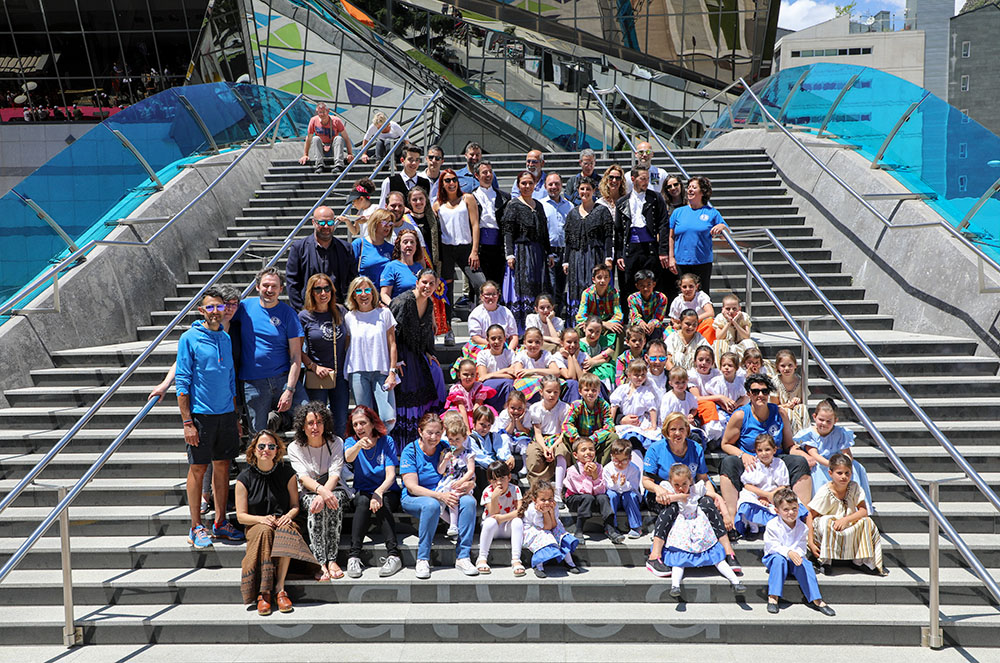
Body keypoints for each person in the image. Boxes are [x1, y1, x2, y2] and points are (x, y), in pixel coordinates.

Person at [176, 288, 244, 549]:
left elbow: (229, 379)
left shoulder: (225, 338)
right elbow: (182, 381)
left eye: (220, 306)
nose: (216, 311)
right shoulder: (189, 338)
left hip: (226, 415)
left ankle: (219, 522)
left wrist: (235, 416)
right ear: (201, 310)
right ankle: (195, 526)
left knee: (223, 466)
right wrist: (187, 422)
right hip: (200, 416)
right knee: (197, 468)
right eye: (211, 307)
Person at [642, 413, 741, 576]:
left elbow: (703, 478)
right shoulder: (656, 449)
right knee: (671, 506)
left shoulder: (696, 448)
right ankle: (654, 556)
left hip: (689, 493)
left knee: (708, 504)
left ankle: (729, 552)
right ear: (666, 432)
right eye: (673, 429)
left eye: (681, 429)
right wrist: (659, 490)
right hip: (661, 492)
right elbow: (646, 481)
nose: (677, 433)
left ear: (687, 430)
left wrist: (715, 496)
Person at [236, 431, 319, 616]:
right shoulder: (244, 478)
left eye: (271, 447)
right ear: (254, 450)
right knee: (265, 531)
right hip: (256, 525)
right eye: (262, 446)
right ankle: (263, 592)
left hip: (283, 520)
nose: (266, 450)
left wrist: (288, 516)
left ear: (277, 450)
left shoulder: (287, 472)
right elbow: (241, 516)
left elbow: (295, 505)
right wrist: (262, 519)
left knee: (285, 529)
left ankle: (279, 589)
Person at [718, 373, 813, 525]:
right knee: (728, 463)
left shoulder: (780, 413)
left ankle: (802, 517)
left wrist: (804, 455)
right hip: (751, 462)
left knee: (799, 462)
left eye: (764, 391)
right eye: (755, 391)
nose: (760, 395)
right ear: (749, 394)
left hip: (775, 460)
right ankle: (732, 516)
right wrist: (742, 455)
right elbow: (726, 444)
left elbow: (789, 445)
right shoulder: (741, 416)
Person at [400, 413, 479, 579]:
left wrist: (471, 483)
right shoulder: (410, 450)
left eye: (437, 433)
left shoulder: (446, 446)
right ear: (420, 431)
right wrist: (440, 496)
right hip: (417, 497)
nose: (434, 437)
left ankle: (463, 556)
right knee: (432, 505)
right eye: (429, 432)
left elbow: (465, 467)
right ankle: (422, 558)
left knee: (469, 502)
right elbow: (412, 487)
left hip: (446, 491)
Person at [651, 464, 745, 597]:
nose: (680, 488)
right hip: (680, 526)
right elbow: (660, 499)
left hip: (698, 525)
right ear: (671, 482)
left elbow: (716, 497)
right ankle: (675, 585)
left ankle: (735, 581)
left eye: (684, 484)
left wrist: (726, 515)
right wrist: (680, 497)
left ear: (690, 481)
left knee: (716, 556)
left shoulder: (696, 489)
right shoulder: (668, 489)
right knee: (679, 555)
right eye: (676, 484)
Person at [235, 268, 309, 434]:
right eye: (265, 285)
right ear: (257, 287)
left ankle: (280, 420)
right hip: (253, 382)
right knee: (258, 434)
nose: (269, 290)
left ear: (281, 289)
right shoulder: (244, 307)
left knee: (307, 419)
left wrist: (289, 390)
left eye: (274, 286)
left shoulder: (288, 313)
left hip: (282, 378)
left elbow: (296, 356)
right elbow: (221, 322)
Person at [287, 402, 351, 581]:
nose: (315, 427)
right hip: (309, 490)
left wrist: (324, 494)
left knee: (333, 501)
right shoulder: (294, 447)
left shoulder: (336, 442)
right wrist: (321, 493)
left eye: (319, 422)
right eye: (310, 423)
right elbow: (303, 477)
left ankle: (332, 560)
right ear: (303, 425)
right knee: (315, 507)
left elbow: (335, 474)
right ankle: (319, 561)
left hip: (334, 488)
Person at [343, 405, 403, 578]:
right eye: (355, 425)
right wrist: (359, 445)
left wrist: (379, 492)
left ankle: (393, 554)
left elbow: (391, 475)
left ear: (372, 423)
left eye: (363, 423)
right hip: (363, 491)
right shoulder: (352, 442)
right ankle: (353, 556)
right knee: (362, 501)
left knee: (381, 503)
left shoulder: (386, 441)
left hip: (387, 490)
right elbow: (348, 457)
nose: (359, 428)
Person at [389, 270, 447, 443]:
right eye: (424, 282)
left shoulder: (429, 303)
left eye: (431, 284)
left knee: (434, 372)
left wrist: (429, 352)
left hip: (417, 351)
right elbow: (391, 334)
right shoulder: (404, 301)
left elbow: (427, 332)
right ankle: (404, 441)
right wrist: (395, 360)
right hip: (399, 354)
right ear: (417, 282)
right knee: (409, 386)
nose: (427, 287)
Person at [808, 453, 887, 576]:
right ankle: (824, 561)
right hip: (830, 526)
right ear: (830, 474)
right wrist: (810, 542)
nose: (843, 477)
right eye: (839, 473)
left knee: (867, 522)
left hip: (846, 523)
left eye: (847, 473)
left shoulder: (854, 487)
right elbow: (810, 515)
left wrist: (846, 520)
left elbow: (863, 511)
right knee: (825, 521)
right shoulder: (825, 491)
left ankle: (860, 561)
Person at [764, 487, 835, 616]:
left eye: (794, 509)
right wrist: (788, 552)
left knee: (806, 564)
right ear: (777, 511)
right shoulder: (772, 525)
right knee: (779, 560)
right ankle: (773, 597)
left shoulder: (802, 527)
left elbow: (802, 547)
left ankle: (816, 599)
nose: (791, 512)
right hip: (775, 557)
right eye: (786, 509)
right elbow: (772, 546)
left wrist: (795, 554)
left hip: (794, 558)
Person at [796, 399, 874, 511]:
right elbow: (814, 454)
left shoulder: (840, 432)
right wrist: (831, 465)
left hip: (839, 462)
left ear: (835, 420)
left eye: (829, 421)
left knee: (856, 467)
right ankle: (824, 507)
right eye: (821, 420)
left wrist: (844, 464)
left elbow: (846, 453)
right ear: (814, 417)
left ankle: (855, 504)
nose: (824, 424)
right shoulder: (810, 433)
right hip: (822, 463)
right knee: (817, 471)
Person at [435, 168, 485, 343]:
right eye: (447, 180)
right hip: (446, 250)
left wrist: (474, 250)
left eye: (453, 179)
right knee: (446, 291)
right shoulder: (437, 205)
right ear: (442, 184)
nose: (451, 183)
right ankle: (448, 330)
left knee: (481, 284)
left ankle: (480, 326)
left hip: (466, 248)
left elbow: (475, 225)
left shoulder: (467, 199)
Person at [344, 275, 398, 431]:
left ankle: (381, 446)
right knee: (364, 420)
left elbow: (392, 344)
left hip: (382, 372)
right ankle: (370, 451)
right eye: (358, 291)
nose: (363, 294)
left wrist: (392, 371)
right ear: (353, 295)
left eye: (367, 290)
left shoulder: (384, 314)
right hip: (358, 373)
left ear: (373, 293)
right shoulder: (349, 317)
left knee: (389, 418)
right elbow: (347, 345)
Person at [298, 274, 350, 436]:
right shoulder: (304, 316)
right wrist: (313, 366)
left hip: (340, 374)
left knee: (340, 420)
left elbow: (348, 337)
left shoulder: (341, 311)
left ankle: (339, 458)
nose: (323, 293)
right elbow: (296, 350)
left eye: (327, 289)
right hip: (317, 376)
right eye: (318, 289)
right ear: (311, 292)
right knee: (317, 421)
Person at [502, 170, 552, 332]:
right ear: (518, 185)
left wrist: (549, 252)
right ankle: (521, 330)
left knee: (537, 287)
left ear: (535, 185)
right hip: (521, 252)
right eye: (523, 183)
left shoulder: (539, 206)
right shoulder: (513, 205)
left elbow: (544, 232)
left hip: (537, 253)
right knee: (522, 287)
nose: (527, 186)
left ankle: (539, 328)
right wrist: (509, 254)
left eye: (530, 183)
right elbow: (508, 232)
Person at [666, 175, 728, 296]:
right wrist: (671, 258)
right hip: (681, 262)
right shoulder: (678, 212)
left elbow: (725, 236)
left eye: (694, 187)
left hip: (702, 262)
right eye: (688, 187)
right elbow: (671, 237)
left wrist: (723, 227)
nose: (690, 190)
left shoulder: (712, 212)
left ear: (702, 192)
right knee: (683, 296)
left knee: (702, 296)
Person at [286, 205, 357, 308]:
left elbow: (352, 279)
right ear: (313, 222)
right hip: (309, 311)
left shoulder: (346, 248)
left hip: (339, 310)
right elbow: (292, 282)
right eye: (322, 223)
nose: (326, 226)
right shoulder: (299, 248)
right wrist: (301, 310)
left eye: (330, 222)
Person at [615, 165, 668, 299]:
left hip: (650, 247)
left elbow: (663, 224)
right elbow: (619, 230)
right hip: (631, 248)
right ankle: (630, 316)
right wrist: (620, 255)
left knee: (653, 281)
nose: (646, 182)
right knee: (629, 283)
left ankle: (654, 314)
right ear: (633, 179)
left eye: (648, 178)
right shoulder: (622, 202)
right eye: (643, 178)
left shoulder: (655, 198)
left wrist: (663, 251)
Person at [563, 176, 613, 314]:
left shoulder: (602, 211)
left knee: (594, 285)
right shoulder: (572, 213)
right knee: (577, 286)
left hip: (595, 255)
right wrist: (565, 261)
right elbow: (568, 240)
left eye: (588, 189)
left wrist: (608, 257)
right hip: (576, 257)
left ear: (594, 191)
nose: (585, 192)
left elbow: (608, 236)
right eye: (582, 189)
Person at [735, 433, 796, 536]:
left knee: (787, 499)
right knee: (745, 498)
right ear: (756, 451)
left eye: (767, 449)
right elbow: (747, 485)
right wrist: (764, 495)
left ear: (774, 450)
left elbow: (784, 485)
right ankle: (753, 526)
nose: (764, 453)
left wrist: (770, 496)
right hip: (757, 494)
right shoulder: (754, 463)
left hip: (775, 494)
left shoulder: (779, 463)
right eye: (760, 450)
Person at [519, 480, 581, 578]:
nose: (547, 502)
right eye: (543, 500)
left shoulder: (553, 505)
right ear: (535, 499)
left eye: (550, 498)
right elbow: (546, 527)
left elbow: (554, 524)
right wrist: (544, 513)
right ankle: (538, 565)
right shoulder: (533, 509)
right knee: (544, 537)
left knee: (561, 534)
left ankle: (569, 562)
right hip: (534, 529)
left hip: (550, 525)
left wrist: (551, 512)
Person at [563, 438, 619, 542]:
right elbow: (584, 491)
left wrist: (595, 476)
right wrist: (589, 476)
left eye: (591, 449)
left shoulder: (599, 467)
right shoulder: (572, 470)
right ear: (575, 455)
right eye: (583, 450)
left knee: (603, 497)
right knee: (587, 497)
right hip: (575, 499)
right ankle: (579, 529)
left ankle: (610, 529)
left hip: (592, 498)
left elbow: (601, 491)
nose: (588, 452)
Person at [476, 460, 526, 576]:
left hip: (508, 527)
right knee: (490, 522)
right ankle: (482, 557)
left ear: (509, 477)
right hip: (493, 529)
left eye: (502, 478)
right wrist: (494, 498)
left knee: (518, 522)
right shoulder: (488, 492)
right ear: (490, 481)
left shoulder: (515, 489)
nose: (499, 483)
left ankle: (516, 559)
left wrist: (502, 518)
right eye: (494, 479)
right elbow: (493, 513)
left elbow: (520, 511)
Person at [525, 376, 572, 496]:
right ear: (541, 392)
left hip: (558, 439)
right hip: (542, 439)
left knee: (562, 451)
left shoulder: (564, 408)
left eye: (555, 392)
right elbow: (538, 432)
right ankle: (536, 490)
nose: (552, 395)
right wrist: (545, 447)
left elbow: (564, 432)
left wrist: (552, 447)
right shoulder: (535, 408)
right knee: (533, 453)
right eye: (549, 391)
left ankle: (558, 491)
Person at [610, 359, 661, 457]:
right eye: (636, 375)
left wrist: (653, 426)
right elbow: (614, 405)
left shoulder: (646, 391)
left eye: (643, 375)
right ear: (629, 375)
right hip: (626, 420)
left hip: (640, 421)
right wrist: (610, 423)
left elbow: (652, 409)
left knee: (642, 437)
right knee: (626, 436)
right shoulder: (623, 389)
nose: (640, 378)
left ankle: (641, 456)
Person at [563, 372, 616, 465]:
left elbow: (609, 426)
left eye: (594, 390)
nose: (590, 393)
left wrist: (594, 438)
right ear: (580, 391)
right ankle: (577, 466)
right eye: (586, 390)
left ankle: (600, 466)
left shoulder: (603, 405)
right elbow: (567, 424)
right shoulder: (576, 405)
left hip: (597, 441)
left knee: (613, 437)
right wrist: (577, 438)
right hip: (580, 440)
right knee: (565, 437)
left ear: (599, 391)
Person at [472, 160, 510, 286]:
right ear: (477, 176)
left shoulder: (504, 197)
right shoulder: (471, 197)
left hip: (498, 247)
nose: (488, 175)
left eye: (490, 172)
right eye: (484, 172)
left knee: (498, 282)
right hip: (481, 247)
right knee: (481, 283)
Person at [542, 173, 571, 315]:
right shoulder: (541, 205)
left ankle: (558, 318)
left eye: (557, 184)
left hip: (565, 252)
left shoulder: (569, 206)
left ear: (561, 185)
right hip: (549, 252)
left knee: (560, 288)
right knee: (550, 287)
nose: (554, 187)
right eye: (550, 184)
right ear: (545, 186)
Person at [603, 437, 643, 538]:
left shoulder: (634, 469)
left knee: (630, 495)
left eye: (624, 460)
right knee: (611, 495)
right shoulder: (608, 468)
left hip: (628, 496)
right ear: (612, 456)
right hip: (615, 496)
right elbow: (607, 487)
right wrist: (615, 484)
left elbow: (634, 487)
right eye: (616, 460)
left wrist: (623, 484)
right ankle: (612, 526)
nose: (620, 464)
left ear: (630, 458)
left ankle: (636, 526)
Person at [298, 102, 354, 173]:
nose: (322, 114)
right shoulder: (313, 120)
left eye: (323, 112)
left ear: (328, 111)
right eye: (320, 112)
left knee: (339, 138)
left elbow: (346, 137)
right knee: (315, 138)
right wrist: (305, 155)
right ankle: (319, 165)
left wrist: (350, 153)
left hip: (333, 148)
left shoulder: (336, 121)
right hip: (321, 148)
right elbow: (308, 138)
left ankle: (339, 165)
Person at [379, 228, 426, 303]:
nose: (409, 245)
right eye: (405, 242)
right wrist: (394, 308)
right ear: (399, 245)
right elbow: (384, 294)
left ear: (416, 246)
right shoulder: (391, 267)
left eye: (412, 242)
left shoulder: (419, 268)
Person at [446, 359, 496, 428]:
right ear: (459, 375)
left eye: (472, 375)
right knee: (453, 417)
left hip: (475, 412)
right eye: (465, 374)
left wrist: (475, 424)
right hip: (461, 412)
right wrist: (467, 430)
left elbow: (477, 405)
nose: (469, 377)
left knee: (486, 412)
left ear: (476, 374)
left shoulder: (479, 387)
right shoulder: (456, 389)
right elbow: (462, 408)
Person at [352, 209, 396, 285]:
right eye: (384, 222)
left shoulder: (391, 248)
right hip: (365, 293)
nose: (388, 226)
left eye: (390, 223)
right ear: (375, 223)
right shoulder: (359, 244)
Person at [670, 272, 716, 343]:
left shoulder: (701, 296)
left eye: (691, 286)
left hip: (699, 327)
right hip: (684, 329)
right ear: (680, 288)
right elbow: (674, 320)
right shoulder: (677, 301)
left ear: (696, 286)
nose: (688, 289)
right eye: (684, 287)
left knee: (710, 322)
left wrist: (693, 321)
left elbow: (710, 313)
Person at [712, 293, 757, 365]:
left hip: (740, 345)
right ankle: (721, 369)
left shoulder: (744, 317)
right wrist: (728, 323)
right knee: (719, 343)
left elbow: (746, 336)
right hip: (727, 346)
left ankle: (750, 368)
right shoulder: (720, 318)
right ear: (722, 309)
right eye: (727, 309)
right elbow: (719, 337)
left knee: (748, 342)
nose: (731, 311)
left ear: (739, 309)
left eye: (734, 309)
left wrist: (735, 323)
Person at [772, 349, 809, 435]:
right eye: (783, 366)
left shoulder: (800, 381)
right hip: (781, 413)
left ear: (795, 365)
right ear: (777, 367)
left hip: (797, 413)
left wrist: (797, 401)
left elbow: (803, 401)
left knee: (802, 408)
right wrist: (787, 406)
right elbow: (773, 406)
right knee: (788, 412)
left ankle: (806, 437)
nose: (787, 368)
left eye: (790, 365)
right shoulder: (775, 382)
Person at [405, 186, 441, 272]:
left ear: (426, 200)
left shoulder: (434, 219)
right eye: (414, 199)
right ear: (409, 202)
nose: (418, 202)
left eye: (421, 199)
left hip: (431, 263)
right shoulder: (405, 220)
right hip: (411, 263)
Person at [627, 269, 669, 341]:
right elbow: (634, 315)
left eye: (649, 285)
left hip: (655, 327)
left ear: (654, 284)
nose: (646, 288)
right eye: (642, 285)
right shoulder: (632, 298)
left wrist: (652, 323)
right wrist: (641, 322)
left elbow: (659, 318)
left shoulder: (661, 298)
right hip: (639, 326)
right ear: (637, 286)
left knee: (658, 333)